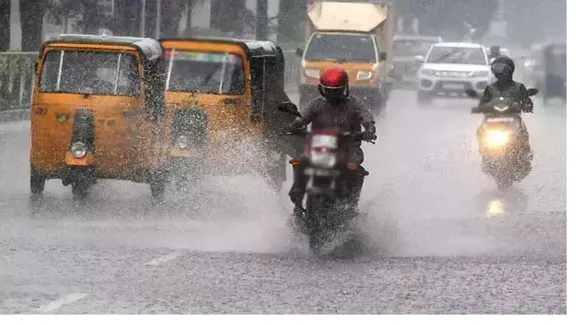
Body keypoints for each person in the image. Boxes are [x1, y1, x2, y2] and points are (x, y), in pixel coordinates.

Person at [285, 66, 377, 217]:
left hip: (348, 148)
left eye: (336, 90)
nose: (333, 94)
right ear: (322, 89)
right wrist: (293, 126)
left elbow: (366, 118)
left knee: (355, 167)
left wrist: (369, 131)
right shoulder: (315, 104)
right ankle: (297, 204)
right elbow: (302, 118)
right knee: (300, 162)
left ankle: (352, 206)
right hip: (319, 148)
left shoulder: (354, 104)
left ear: (345, 88)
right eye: (329, 90)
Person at [476, 56, 534, 179]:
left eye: (501, 69)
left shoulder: (519, 87)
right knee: (480, 131)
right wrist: (484, 106)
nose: (499, 72)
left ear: (509, 70)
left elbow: (527, 101)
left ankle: (524, 158)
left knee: (523, 135)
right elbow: (482, 103)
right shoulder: (490, 88)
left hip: (513, 119)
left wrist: (526, 105)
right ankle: (485, 155)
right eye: (496, 69)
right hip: (493, 120)